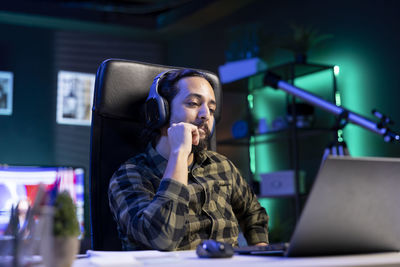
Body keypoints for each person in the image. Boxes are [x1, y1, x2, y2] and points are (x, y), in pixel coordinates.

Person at [109, 69, 269, 251]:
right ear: (162, 111)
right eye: (193, 103)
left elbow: (254, 214)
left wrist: (261, 253)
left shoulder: (222, 165)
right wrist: (179, 153)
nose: (205, 115)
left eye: (211, 109)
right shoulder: (129, 176)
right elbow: (162, 239)